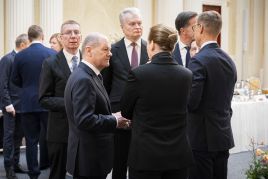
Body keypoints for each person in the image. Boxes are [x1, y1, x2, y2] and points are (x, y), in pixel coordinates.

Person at [120, 24, 194, 179]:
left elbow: (126, 111)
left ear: (152, 44)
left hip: (146, 156)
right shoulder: (187, 74)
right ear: (172, 47)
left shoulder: (138, 74)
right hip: (178, 155)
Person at [64, 32, 130, 179]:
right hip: (88, 159)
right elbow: (84, 120)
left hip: (91, 157)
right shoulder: (84, 79)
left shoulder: (89, 75)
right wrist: (114, 120)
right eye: (105, 49)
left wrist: (112, 116)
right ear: (88, 50)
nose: (110, 54)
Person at [187, 11, 237, 179]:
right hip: (222, 136)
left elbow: (192, 102)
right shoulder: (229, 60)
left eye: (194, 27)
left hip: (201, 139)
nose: (194, 32)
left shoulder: (199, 60)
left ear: (200, 28)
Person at [101, 7, 149, 179]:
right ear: (122, 27)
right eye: (132, 23)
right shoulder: (113, 50)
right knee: (119, 160)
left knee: (143, 160)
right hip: (120, 112)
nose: (137, 26)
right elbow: (105, 85)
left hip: (145, 112)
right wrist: (109, 113)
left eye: (140, 23)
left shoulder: (149, 48)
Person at [11, 25, 56, 179]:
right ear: (42, 36)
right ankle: (53, 170)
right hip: (48, 102)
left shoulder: (20, 56)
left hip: (27, 103)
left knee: (31, 140)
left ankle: (33, 173)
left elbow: (14, 79)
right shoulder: (52, 54)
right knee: (52, 138)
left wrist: (26, 87)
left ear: (29, 38)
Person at [39, 20, 82, 179]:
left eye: (76, 32)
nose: (73, 36)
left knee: (83, 172)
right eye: (68, 33)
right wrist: (72, 104)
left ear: (81, 37)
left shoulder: (88, 60)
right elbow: (44, 99)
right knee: (57, 174)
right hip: (60, 131)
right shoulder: (50, 63)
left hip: (85, 129)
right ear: (61, 38)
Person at [0, 33, 29, 179]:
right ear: (23, 45)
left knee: (18, 137)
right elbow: (2, 84)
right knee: (9, 137)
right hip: (10, 107)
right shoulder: (7, 59)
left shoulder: (23, 61)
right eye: (29, 46)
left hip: (23, 107)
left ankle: (16, 164)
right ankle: (8, 167)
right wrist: (8, 104)